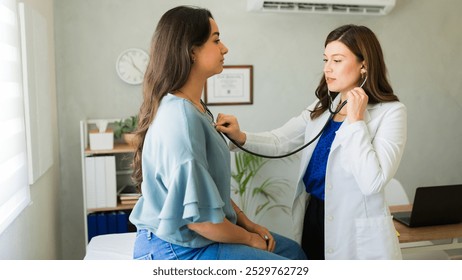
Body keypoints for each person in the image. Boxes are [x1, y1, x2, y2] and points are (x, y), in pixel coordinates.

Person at [128, 5, 306, 260]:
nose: (225, 48)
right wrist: (249, 239)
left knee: (293, 251)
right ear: (191, 51)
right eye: (216, 40)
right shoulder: (181, 119)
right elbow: (201, 222)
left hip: (196, 236)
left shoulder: (195, 108)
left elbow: (205, 192)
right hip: (176, 248)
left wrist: (246, 222)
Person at [216, 24, 407, 260]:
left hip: (354, 225)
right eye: (325, 59)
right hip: (314, 216)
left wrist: (356, 122)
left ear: (364, 64)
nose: (327, 68)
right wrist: (240, 136)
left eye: (337, 60)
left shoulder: (390, 113)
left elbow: (372, 181)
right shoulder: (323, 108)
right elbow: (280, 141)